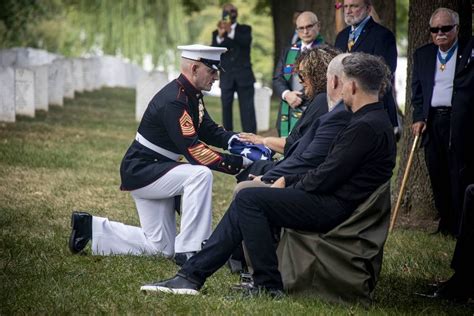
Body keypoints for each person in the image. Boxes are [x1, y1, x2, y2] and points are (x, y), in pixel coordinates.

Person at [139, 52, 396, 297]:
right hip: (335, 198)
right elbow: (330, 171)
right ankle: (192, 275)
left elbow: (326, 175)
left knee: (251, 200)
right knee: (251, 200)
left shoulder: (364, 126)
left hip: (334, 206)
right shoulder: (374, 120)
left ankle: (262, 284)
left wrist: (286, 183)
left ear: (351, 87)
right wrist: (287, 180)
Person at [68, 45, 250, 265]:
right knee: (200, 174)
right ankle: (191, 249)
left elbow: (207, 129)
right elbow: (195, 152)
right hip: (144, 171)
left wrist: (236, 142)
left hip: (157, 170)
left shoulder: (190, 94)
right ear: (194, 68)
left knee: (161, 247)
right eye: (212, 71)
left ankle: (90, 227)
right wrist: (239, 163)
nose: (216, 77)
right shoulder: (176, 100)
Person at [237, 49, 347, 183]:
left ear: (317, 75)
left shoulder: (322, 102)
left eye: (302, 74)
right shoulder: (320, 99)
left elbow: (296, 147)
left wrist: (263, 141)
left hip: (297, 173)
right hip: (294, 167)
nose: (299, 80)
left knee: (250, 178)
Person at [411, 8, 470, 236]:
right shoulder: (423, 54)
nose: (440, 33)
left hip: (460, 122)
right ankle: (445, 223)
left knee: (459, 173)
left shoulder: (468, 51)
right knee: (437, 173)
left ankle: (461, 226)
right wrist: (418, 117)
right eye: (435, 29)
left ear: (456, 28)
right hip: (432, 121)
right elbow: (417, 91)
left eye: (446, 28)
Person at [334, 0, 399, 130]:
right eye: (346, 6)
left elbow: (385, 73)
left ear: (368, 8)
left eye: (354, 6)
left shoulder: (383, 36)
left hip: (375, 111)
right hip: (345, 112)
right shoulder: (341, 36)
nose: (348, 10)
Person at [273, 11, 325, 137]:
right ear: (296, 30)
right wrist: (287, 94)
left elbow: (323, 82)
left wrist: (299, 97)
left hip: (311, 110)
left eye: (309, 27)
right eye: (301, 28)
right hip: (287, 109)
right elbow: (277, 78)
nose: (305, 32)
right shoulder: (289, 50)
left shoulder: (325, 51)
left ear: (318, 26)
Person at [211, 3, 256, 133]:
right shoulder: (217, 33)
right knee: (226, 109)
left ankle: (251, 139)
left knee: (247, 110)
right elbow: (215, 51)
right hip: (227, 76)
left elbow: (245, 42)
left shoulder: (245, 29)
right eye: (227, 12)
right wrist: (220, 36)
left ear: (237, 13)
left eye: (233, 11)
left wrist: (230, 31)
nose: (230, 14)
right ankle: (228, 138)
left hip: (244, 76)